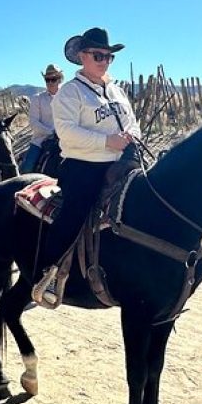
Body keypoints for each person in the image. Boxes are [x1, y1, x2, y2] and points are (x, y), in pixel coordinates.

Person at [31, 27, 141, 308]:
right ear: (82, 56)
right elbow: (66, 132)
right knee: (76, 210)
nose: (104, 61)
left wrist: (132, 138)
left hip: (122, 162)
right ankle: (52, 272)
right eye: (98, 55)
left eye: (108, 57)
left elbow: (132, 123)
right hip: (84, 166)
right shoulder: (70, 92)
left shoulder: (116, 91)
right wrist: (108, 142)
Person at [20, 64, 62, 173]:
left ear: (59, 79)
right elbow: (34, 122)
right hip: (41, 140)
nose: (50, 83)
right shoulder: (37, 99)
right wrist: (51, 132)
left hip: (65, 138)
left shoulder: (67, 97)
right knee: (27, 168)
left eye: (53, 79)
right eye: (47, 80)